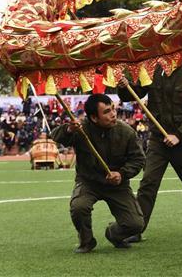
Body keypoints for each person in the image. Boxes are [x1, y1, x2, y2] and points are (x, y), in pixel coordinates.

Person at [116, 58, 182, 240]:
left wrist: (178, 135)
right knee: (148, 183)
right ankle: (137, 228)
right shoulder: (151, 72)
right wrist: (124, 85)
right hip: (158, 140)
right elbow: (133, 94)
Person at [50, 93, 145, 252]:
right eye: (107, 112)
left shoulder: (126, 132)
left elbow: (138, 159)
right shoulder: (81, 129)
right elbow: (56, 136)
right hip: (89, 183)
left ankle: (114, 234)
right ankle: (86, 241)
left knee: (136, 225)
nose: (113, 114)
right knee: (79, 207)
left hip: (117, 185)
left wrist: (121, 174)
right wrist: (68, 129)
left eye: (113, 109)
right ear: (94, 118)